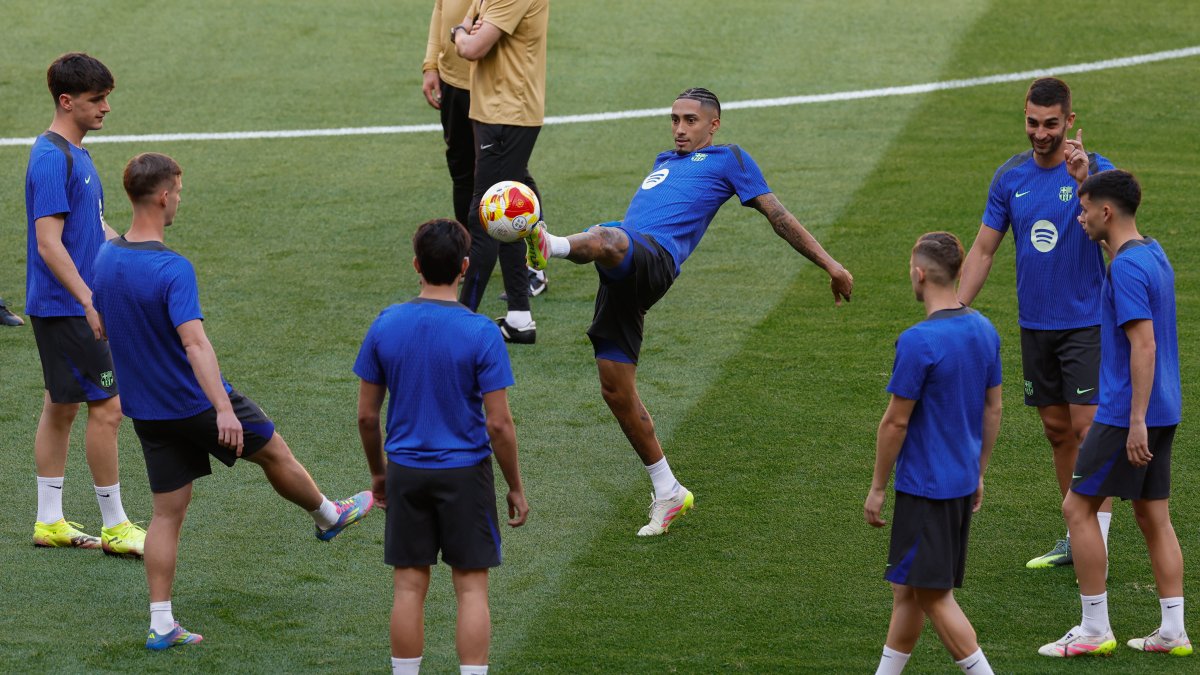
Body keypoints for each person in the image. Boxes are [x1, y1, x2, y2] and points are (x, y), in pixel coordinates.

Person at [526, 88, 854, 536]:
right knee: (616, 391)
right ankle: (668, 490)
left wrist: (831, 264)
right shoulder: (665, 160)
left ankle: (550, 245)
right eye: (675, 119)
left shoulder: (729, 159)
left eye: (690, 121)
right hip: (624, 272)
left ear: (713, 125)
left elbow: (777, 215)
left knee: (604, 237)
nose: (680, 128)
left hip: (655, 260)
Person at [91, 153, 374, 650]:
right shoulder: (172, 268)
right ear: (162, 196)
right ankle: (329, 516)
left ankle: (161, 623)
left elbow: (105, 320)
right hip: (194, 401)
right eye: (177, 191)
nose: (179, 198)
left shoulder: (105, 257)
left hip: (147, 411)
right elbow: (195, 343)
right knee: (273, 450)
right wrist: (222, 407)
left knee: (165, 514)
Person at [355, 218, 529, 675]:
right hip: (466, 473)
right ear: (466, 267)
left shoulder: (386, 324)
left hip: (406, 471)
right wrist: (514, 485)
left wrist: (379, 474)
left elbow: (367, 416)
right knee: (471, 588)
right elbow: (500, 425)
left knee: (409, 587)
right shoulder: (481, 333)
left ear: (416, 265)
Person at [959, 77, 1115, 569]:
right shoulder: (1010, 177)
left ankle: (1097, 538)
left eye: (1051, 124)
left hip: (1087, 322)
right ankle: (1077, 534)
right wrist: (953, 312)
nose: (1040, 133)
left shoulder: (1097, 173)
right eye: (1032, 122)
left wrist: (1082, 179)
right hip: (1037, 324)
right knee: (1055, 429)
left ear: (1070, 121)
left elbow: (1120, 237)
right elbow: (985, 248)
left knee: (1088, 430)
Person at [1039, 170, 1190, 658]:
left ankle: (1093, 629)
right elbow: (1123, 262)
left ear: (1106, 212)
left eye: (1084, 209)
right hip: (1166, 406)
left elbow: (1141, 344)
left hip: (1129, 412)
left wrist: (1135, 421)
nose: (1079, 218)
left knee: (1077, 508)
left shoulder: (1125, 269)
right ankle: (1172, 632)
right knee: (1153, 516)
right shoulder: (1151, 253)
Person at [865, 232, 1002, 675]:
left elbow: (895, 422)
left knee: (933, 596)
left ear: (919, 274)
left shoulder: (918, 341)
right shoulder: (983, 329)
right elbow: (992, 407)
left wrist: (878, 488)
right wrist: (978, 472)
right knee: (906, 587)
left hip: (926, 489)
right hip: (959, 481)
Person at [24, 53, 144, 556]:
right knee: (108, 408)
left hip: (67, 303)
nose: (107, 108)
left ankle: (49, 519)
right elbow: (49, 242)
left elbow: (90, 228)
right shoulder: (54, 157)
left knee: (61, 405)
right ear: (67, 101)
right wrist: (90, 300)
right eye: (97, 100)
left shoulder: (77, 152)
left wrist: (134, 257)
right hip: (65, 306)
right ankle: (115, 525)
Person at [422, 0, 547, 300]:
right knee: (463, 170)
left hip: (495, 90)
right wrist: (431, 63)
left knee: (510, 181)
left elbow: (474, 41)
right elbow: (443, 10)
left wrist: (463, 36)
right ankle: (471, 260)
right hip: (456, 81)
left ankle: (534, 265)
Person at [451, 0, 549, 343]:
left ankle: (462, 320)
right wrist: (463, 32)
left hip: (508, 114)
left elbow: (472, 45)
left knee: (485, 215)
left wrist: (462, 36)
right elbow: (465, 26)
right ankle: (520, 319)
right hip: (495, 110)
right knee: (507, 214)